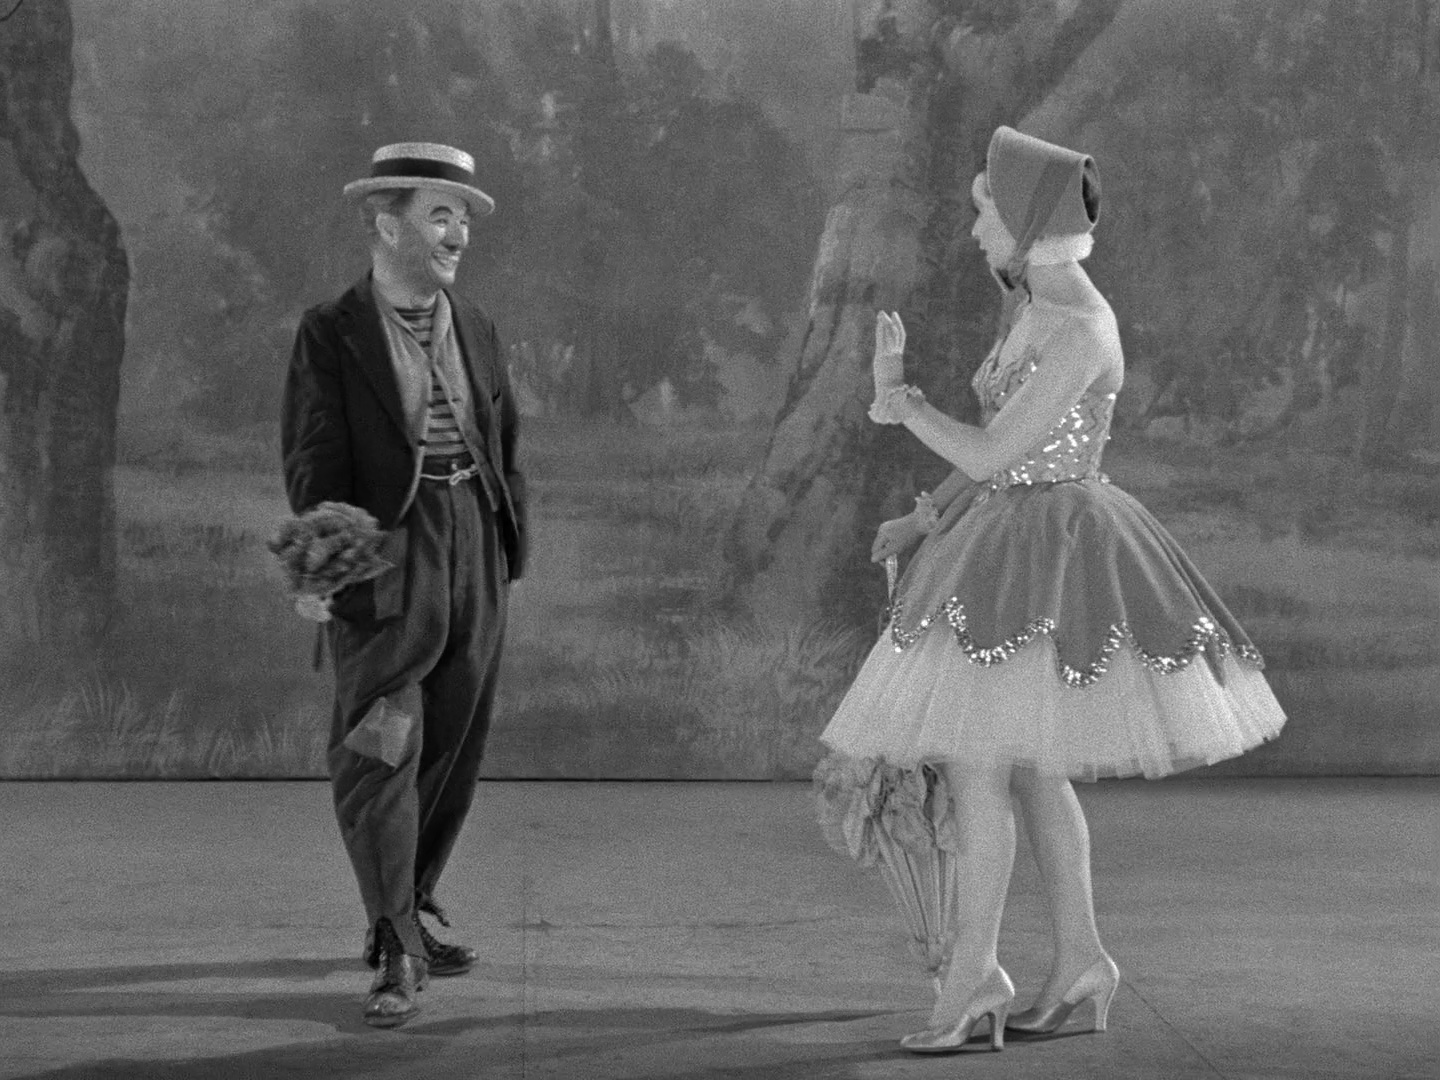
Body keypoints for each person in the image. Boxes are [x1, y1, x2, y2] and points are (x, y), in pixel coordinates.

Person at [819, 126, 1286, 1054]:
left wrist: (901, 398)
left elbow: (997, 451)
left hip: (1053, 553)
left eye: (987, 213)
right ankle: (1079, 960)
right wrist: (925, 516)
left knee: (982, 764)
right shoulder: (1036, 306)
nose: (976, 231)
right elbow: (1005, 453)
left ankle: (975, 977)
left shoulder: (1080, 328)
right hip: (1006, 538)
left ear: (1029, 223)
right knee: (1031, 770)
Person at [280, 142, 527, 1028]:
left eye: (462, 219)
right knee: (382, 745)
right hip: (390, 553)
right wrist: (329, 561)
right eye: (440, 215)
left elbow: (505, 441)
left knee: (454, 739)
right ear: (388, 226)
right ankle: (392, 939)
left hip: (474, 545)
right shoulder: (333, 330)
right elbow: (313, 455)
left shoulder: (478, 326)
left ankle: (411, 903)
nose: (458, 234)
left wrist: (505, 551)